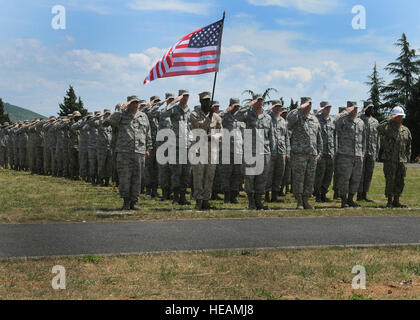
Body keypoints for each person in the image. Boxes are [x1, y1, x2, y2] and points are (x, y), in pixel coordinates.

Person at [103, 96, 152, 210]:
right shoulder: (121, 115)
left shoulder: (143, 116)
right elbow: (107, 123)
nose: (135, 105)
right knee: (125, 178)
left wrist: (148, 148)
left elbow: (147, 133)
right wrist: (120, 110)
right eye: (133, 103)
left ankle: (134, 202)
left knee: (137, 178)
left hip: (139, 151)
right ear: (128, 104)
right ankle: (126, 201)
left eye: (137, 103)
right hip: (124, 152)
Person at [234, 94, 274, 210]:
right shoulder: (248, 114)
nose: (259, 102)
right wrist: (248, 105)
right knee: (250, 177)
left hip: (264, 152)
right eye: (257, 100)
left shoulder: (268, 117)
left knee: (262, 178)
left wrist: (273, 151)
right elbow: (237, 115)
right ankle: (251, 202)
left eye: (261, 100)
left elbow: (271, 135)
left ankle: (258, 202)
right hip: (250, 150)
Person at [287, 97, 323, 210]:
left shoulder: (314, 119)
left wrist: (319, 152)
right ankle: (299, 202)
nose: (308, 106)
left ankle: (306, 200)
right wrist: (299, 108)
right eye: (306, 104)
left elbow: (319, 137)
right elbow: (289, 118)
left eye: (310, 104)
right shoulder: (297, 116)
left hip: (312, 154)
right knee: (299, 178)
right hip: (299, 154)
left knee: (310, 178)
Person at [190, 92, 223, 210]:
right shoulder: (194, 114)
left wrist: (214, 136)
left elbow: (222, 132)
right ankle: (198, 200)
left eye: (208, 100)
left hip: (212, 149)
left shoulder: (217, 117)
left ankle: (206, 200)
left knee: (210, 176)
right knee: (198, 175)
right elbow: (199, 128)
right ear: (200, 102)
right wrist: (209, 118)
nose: (207, 102)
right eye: (204, 100)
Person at [160, 90, 192, 205]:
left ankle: (183, 196)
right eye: (183, 96)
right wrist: (173, 102)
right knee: (176, 173)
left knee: (186, 173)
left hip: (187, 146)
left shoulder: (189, 110)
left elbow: (190, 128)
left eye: (187, 95)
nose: (186, 98)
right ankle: (176, 197)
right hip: (176, 146)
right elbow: (163, 114)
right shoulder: (174, 108)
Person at [377, 106, 412, 208]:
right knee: (390, 180)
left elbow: (409, 145)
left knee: (400, 180)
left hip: (401, 160)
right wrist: (389, 119)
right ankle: (389, 201)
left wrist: (407, 158)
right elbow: (378, 128)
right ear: (394, 116)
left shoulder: (406, 130)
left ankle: (396, 200)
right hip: (390, 159)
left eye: (401, 116)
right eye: (398, 116)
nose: (400, 118)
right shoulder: (388, 127)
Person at [334, 101, 366, 208]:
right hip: (345, 155)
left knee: (356, 178)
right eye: (352, 109)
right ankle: (343, 200)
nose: (355, 110)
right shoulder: (342, 120)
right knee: (344, 178)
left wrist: (363, 153)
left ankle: (351, 199)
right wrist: (345, 112)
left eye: (356, 108)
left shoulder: (360, 122)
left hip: (358, 155)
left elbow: (364, 139)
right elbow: (335, 122)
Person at [221, 98, 245, 204]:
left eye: (237, 106)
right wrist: (227, 111)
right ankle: (226, 195)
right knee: (226, 174)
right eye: (234, 106)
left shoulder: (240, 118)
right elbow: (217, 117)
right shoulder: (225, 116)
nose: (236, 108)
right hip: (227, 150)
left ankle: (234, 196)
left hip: (238, 150)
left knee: (237, 174)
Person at [267, 101, 290, 203]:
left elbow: (286, 137)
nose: (278, 109)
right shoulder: (268, 119)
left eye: (280, 107)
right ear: (272, 108)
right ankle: (267, 194)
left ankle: (275, 195)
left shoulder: (283, 121)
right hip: (270, 151)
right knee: (269, 174)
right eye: (276, 107)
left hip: (281, 151)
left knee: (279, 174)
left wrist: (287, 151)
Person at [357, 101, 380, 202]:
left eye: (372, 108)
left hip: (372, 151)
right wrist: (362, 112)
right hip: (362, 151)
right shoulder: (359, 119)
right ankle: (359, 194)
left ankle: (365, 194)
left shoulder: (375, 121)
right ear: (365, 108)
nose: (371, 109)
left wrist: (377, 152)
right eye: (369, 108)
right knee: (360, 174)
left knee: (369, 174)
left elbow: (378, 138)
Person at [314, 101, 335, 203]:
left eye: (329, 107)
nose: (328, 109)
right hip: (321, 152)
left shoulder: (332, 120)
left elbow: (334, 136)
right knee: (319, 175)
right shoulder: (317, 119)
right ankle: (317, 194)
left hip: (330, 152)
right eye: (326, 108)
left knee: (328, 175)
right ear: (322, 109)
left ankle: (324, 194)